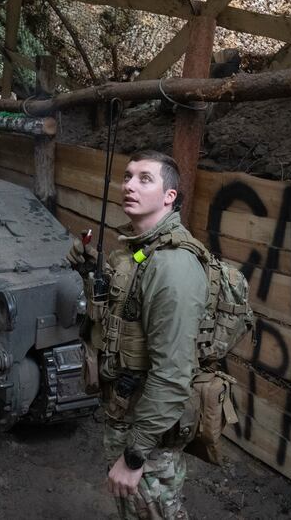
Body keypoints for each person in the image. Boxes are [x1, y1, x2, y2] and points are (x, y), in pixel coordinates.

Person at [68, 149, 207, 520]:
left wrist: (134, 456)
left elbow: (174, 373)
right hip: (127, 414)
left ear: (169, 196)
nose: (129, 184)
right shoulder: (140, 252)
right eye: (127, 176)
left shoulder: (173, 265)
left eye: (145, 178)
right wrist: (88, 269)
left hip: (150, 434)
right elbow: (121, 315)